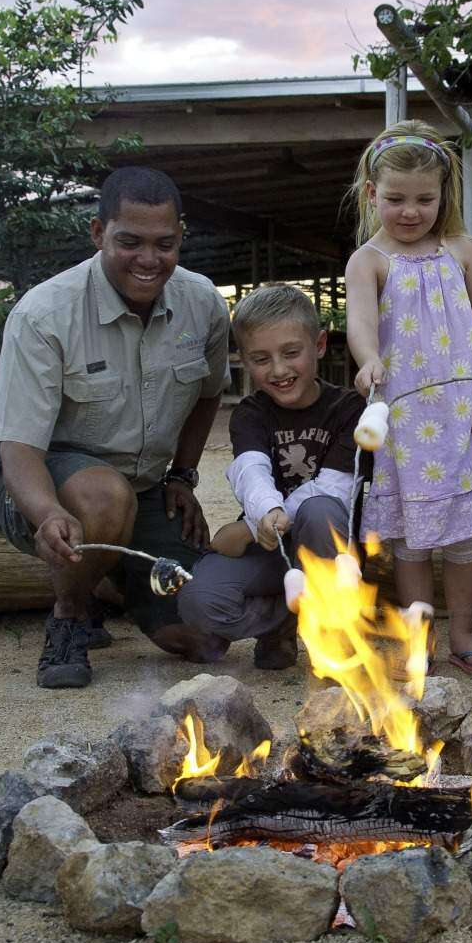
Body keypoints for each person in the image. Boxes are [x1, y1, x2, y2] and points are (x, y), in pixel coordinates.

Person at [0, 166, 231, 689]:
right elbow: (18, 445)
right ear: (97, 234)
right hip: (38, 477)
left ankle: (117, 577)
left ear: (181, 235)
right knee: (105, 501)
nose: (149, 260)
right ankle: (71, 614)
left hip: (143, 485)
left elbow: (208, 393)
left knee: (203, 636)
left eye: (165, 244)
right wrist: (45, 514)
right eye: (128, 242)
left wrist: (182, 477)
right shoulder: (44, 314)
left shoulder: (202, 304)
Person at [344, 120, 472, 676]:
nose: (410, 211)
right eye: (395, 199)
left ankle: (463, 633)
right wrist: (368, 360)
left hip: (460, 417)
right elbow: (360, 325)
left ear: (444, 196)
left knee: (464, 535)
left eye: (424, 199)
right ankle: (420, 637)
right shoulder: (369, 261)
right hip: (405, 418)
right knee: (411, 539)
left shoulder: (462, 251)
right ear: (372, 194)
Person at [176, 284, 363, 668]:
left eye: (291, 353)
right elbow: (251, 471)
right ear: (244, 359)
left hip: (330, 549)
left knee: (320, 508)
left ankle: (332, 634)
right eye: (261, 358)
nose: (278, 370)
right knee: (199, 601)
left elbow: (335, 487)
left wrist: (249, 529)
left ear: (320, 345)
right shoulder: (251, 412)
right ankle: (286, 618)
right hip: (272, 547)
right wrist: (263, 517)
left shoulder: (350, 409)